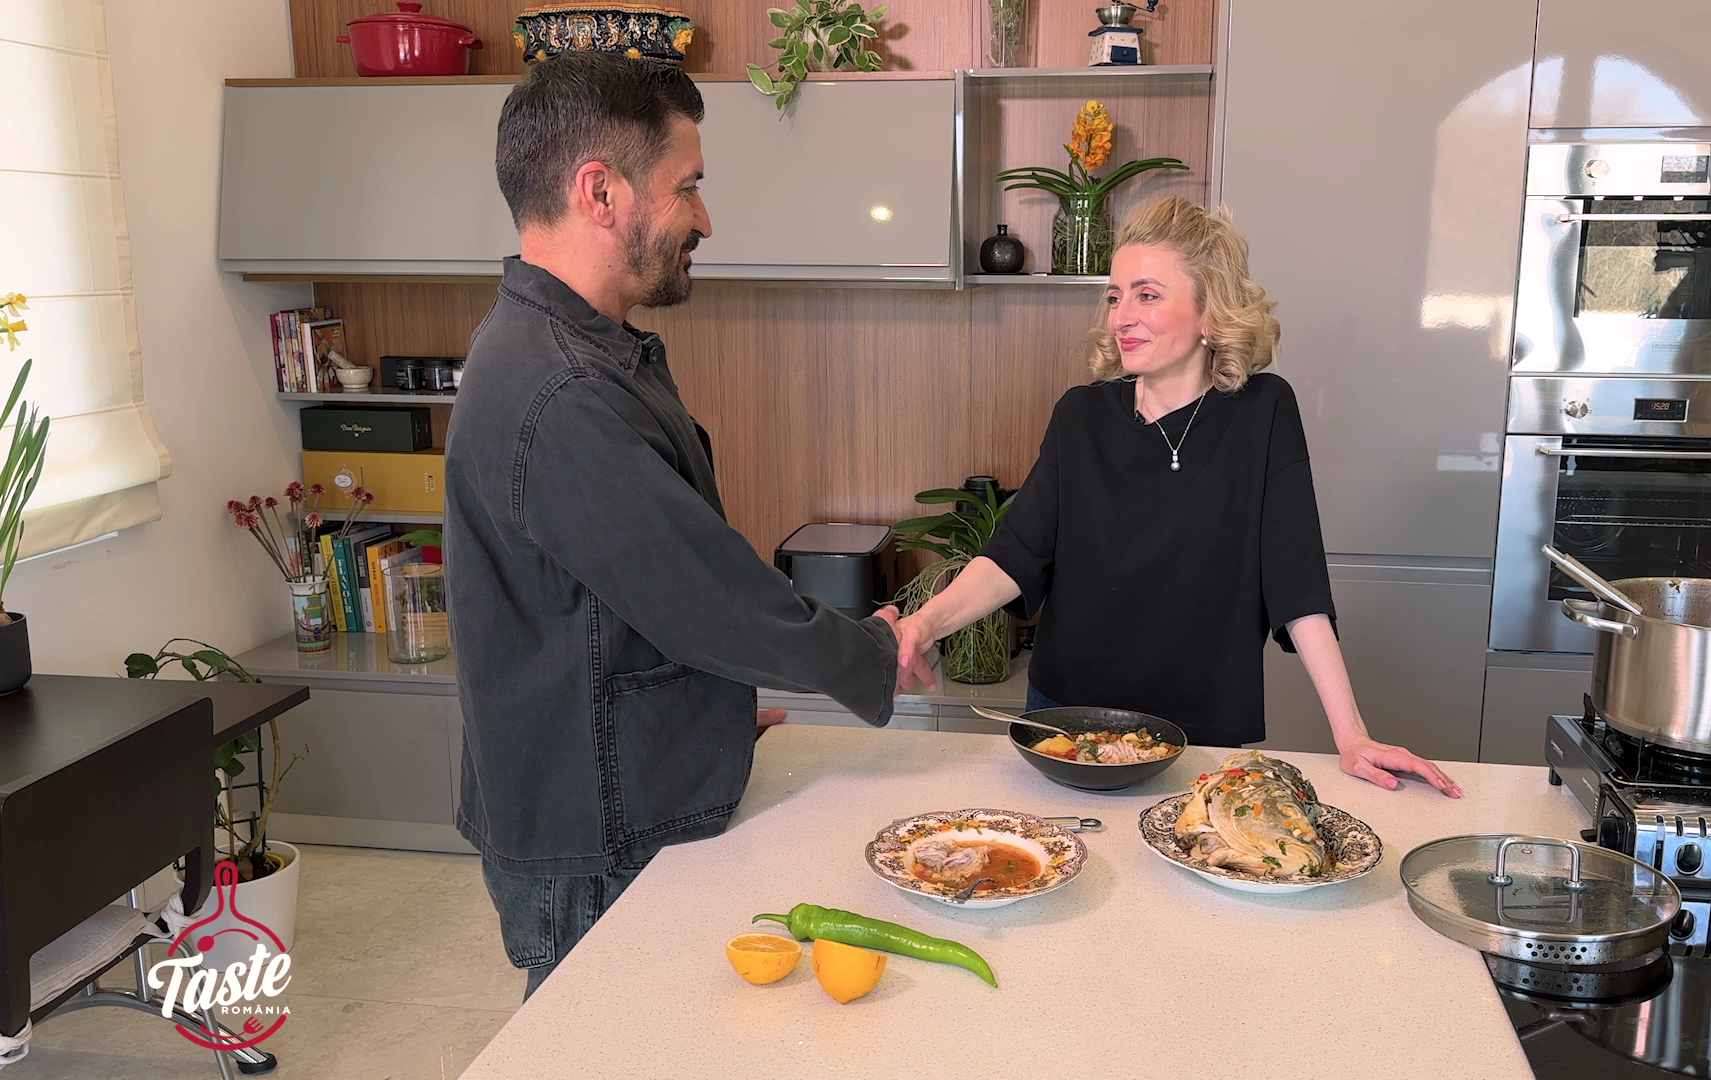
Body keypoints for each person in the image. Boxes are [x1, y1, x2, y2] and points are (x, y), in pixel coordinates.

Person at [445, 53, 929, 998]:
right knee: (605, 1046)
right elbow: (703, 594)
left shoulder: (568, 350)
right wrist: (870, 655)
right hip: (594, 831)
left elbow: (610, 602)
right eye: (689, 186)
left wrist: (705, 713)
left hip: (609, 787)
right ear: (600, 192)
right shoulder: (561, 389)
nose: (705, 220)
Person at [895, 197, 1461, 798]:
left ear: (1209, 311)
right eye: (1115, 297)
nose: (1121, 317)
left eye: (1148, 295)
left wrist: (1352, 736)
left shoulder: (1263, 412)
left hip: (1200, 728)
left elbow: (1295, 579)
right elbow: (1016, 553)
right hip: (1068, 718)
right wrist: (924, 624)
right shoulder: (1080, 417)